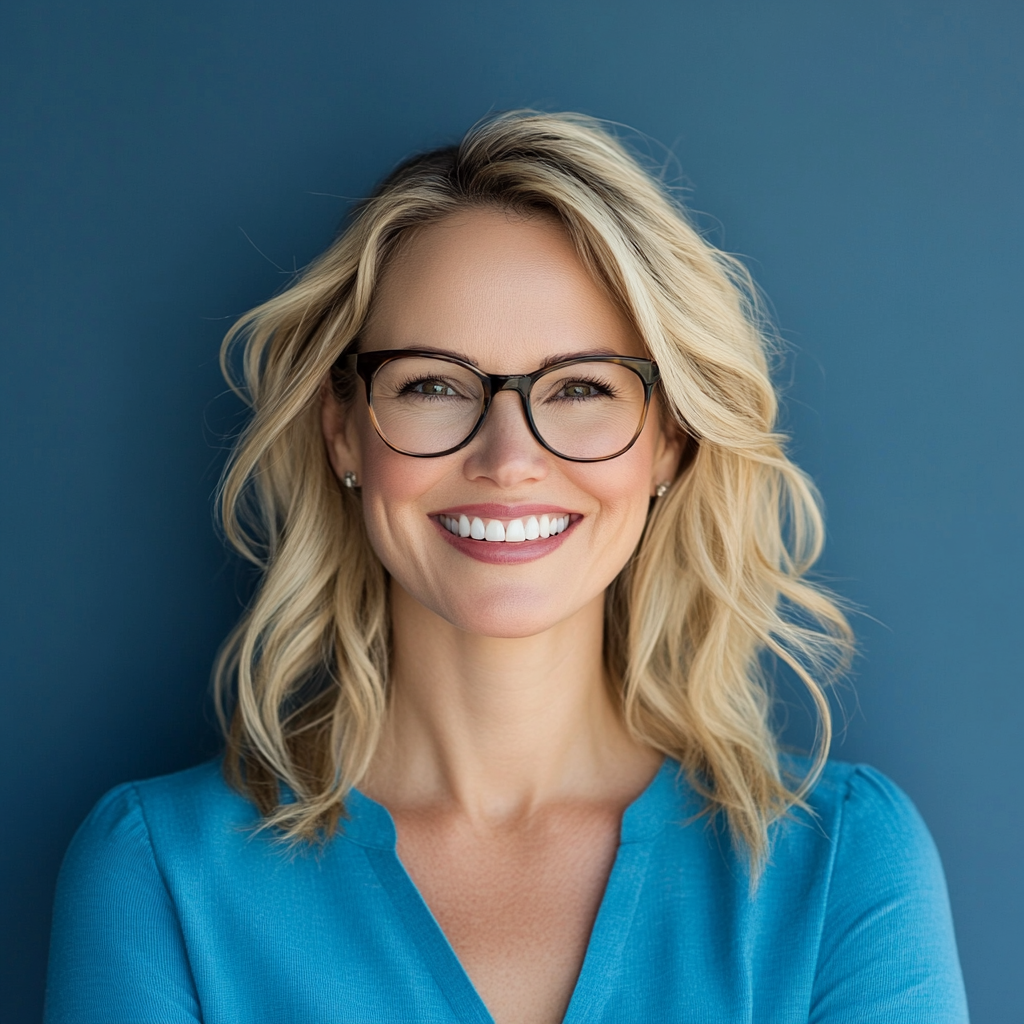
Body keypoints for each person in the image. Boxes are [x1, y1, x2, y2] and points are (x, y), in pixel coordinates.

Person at [44, 111, 968, 1024]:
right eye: (434, 385)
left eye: (581, 389)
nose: (508, 456)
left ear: (670, 443)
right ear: (343, 430)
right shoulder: (158, 876)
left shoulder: (841, 861)